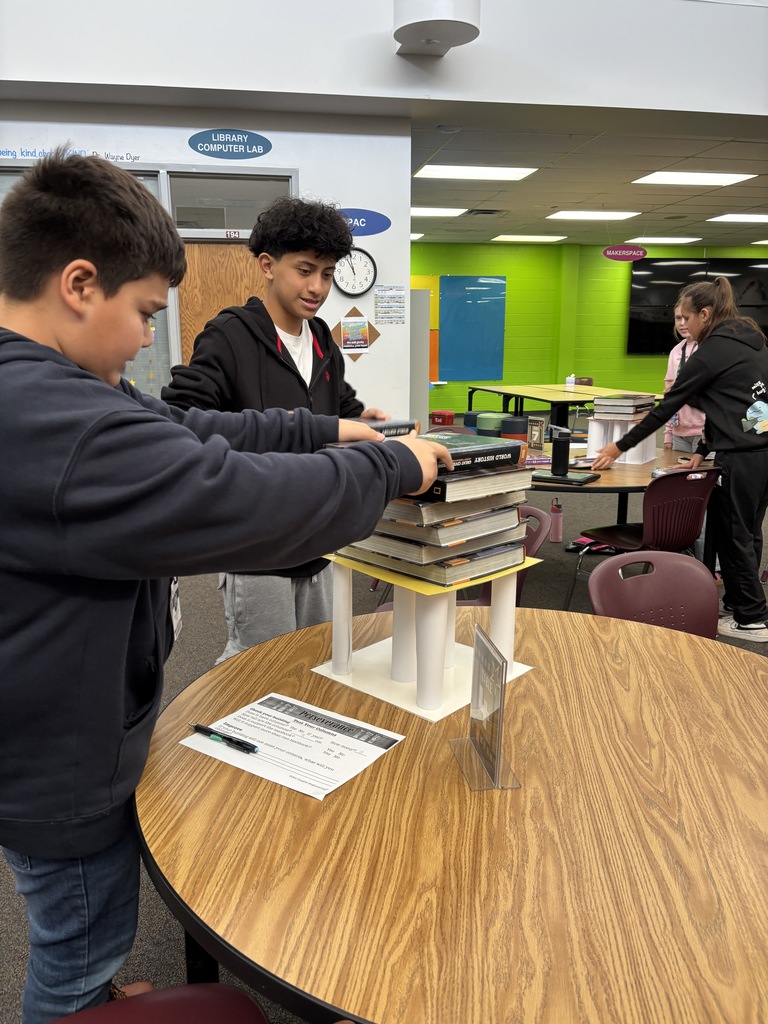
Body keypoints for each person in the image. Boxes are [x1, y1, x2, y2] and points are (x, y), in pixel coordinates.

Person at [0, 150, 451, 1024]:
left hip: (62, 719)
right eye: (143, 315)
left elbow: (188, 422)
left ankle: (94, 991)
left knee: (86, 926)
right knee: (78, 936)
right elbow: (232, 496)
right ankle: (78, 1000)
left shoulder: (50, 385)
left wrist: (329, 428)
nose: (143, 339)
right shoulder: (50, 418)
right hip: (58, 760)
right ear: (80, 284)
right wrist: (393, 465)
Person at [162, 196, 389, 661]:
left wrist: (359, 418)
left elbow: (336, 405)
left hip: (319, 536)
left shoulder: (323, 338)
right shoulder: (228, 336)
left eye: (327, 274)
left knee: (316, 660)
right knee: (259, 667)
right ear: (268, 265)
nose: (318, 287)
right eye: (305, 270)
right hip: (256, 545)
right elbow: (183, 420)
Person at [592, 277, 768, 642]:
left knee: (734, 534)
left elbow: (665, 409)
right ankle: (740, 604)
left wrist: (617, 447)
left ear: (705, 314)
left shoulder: (709, 352)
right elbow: (740, 407)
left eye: (686, 317)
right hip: (761, 451)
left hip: (743, 457)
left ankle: (752, 618)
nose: (681, 325)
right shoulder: (752, 341)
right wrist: (704, 451)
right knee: (747, 532)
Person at [664, 304, 704, 453]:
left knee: (703, 475)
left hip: (703, 431)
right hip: (678, 433)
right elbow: (669, 395)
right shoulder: (675, 351)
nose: (682, 323)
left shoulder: (707, 348)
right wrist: (668, 433)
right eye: (678, 318)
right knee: (678, 475)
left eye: (686, 318)